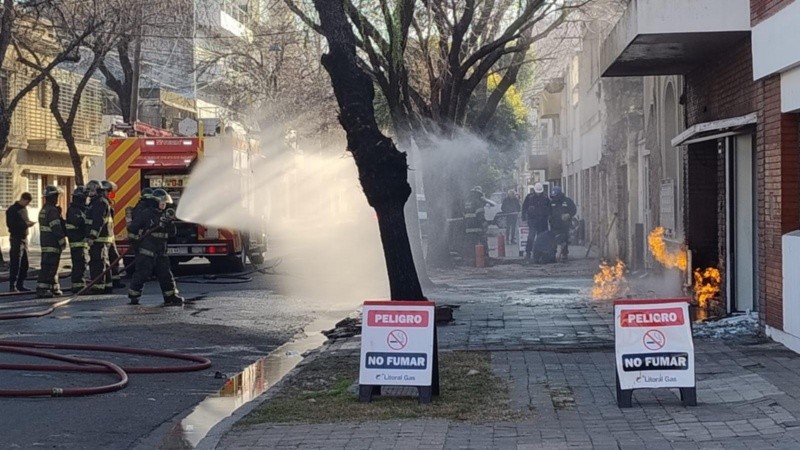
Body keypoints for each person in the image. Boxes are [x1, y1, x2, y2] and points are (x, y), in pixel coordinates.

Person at [127, 188, 184, 306]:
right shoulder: (146, 214)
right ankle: (134, 296)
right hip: (147, 252)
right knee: (142, 274)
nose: (164, 205)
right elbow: (132, 229)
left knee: (166, 274)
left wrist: (168, 223)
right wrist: (135, 241)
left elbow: (173, 233)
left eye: (165, 204)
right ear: (155, 202)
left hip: (161, 252)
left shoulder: (165, 215)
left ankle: (170, 296)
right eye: (162, 203)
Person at [36, 186, 66, 298]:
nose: (57, 198)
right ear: (53, 197)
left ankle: (54, 287)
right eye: (56, 196)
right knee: (49, 267)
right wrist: (62, 241)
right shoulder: (52, 210)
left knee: (50, 266)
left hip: (45, 243)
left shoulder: (44, 209)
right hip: (53, 243)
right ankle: (42, 289)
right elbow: (56, 227)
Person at [85, 179, 112, 295]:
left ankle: (98, 287)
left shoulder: (99, 202)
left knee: (97, 263)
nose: (89, 192)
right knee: (103, 262)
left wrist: (92, 236)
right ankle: (107, 285)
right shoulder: (96, 202)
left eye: (92, 190)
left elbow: (98, 221)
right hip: (100, 238)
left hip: (98, 239)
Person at [5, 192, 36, 291]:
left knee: (24, 264)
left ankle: (20, 284)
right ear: (23, 199)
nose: (27, 205)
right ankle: (12, 285)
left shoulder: (24, 209)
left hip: (24, 238)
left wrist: (28, 223)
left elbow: (24, 221)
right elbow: (11, 225)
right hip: (16, 238)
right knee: (16, 262)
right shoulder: (12, 210)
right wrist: (26, 224)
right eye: (26, 202)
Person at [101, 180, 125, 289]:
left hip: (110, 237)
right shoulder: (101, 203)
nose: (109, 194)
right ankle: (107, 284)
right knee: (105, 262)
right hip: (104, 239)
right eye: (108, 192)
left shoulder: (107, 203)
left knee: (114, 259)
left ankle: (115, 280)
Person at [66, 186, 89, 294]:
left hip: (80, 241)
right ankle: (78, 286)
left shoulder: (79, 209)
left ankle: (80, 284)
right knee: (79, 263)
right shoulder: (74, 210)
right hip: (77, 242)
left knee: (81, 263)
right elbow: (78, 222)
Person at [521, 183, 551, 261]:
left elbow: (549, 208)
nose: (538, 193)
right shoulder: (529, 197)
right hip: (533, 221)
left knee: (542, 238)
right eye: (537, 192)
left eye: (539, 192)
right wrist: (523, 218)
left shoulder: (545, 198)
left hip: (543, 222)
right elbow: (524, 208)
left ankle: (541, 253)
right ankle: (528, 252)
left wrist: (549, 218)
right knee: (531, 237)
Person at [549, 186, 577, 261]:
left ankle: (564, 254)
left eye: (556, 196)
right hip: (554, 225)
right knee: (553, 239)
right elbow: (548, 211)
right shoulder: (552, 202)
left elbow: (574, 210)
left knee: (564, 239)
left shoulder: (567, 201)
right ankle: (553, 254)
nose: (554, 198)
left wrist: (568, 214)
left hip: (564, 225)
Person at [463, 186, 489, 262]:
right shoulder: (478, 202)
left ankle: (470, 259)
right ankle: (483, 258)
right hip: (477, 227)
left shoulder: (467, 202)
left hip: (468, 227)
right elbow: (480, 215)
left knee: (470, 244)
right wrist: (484, 224)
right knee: (481, 244)